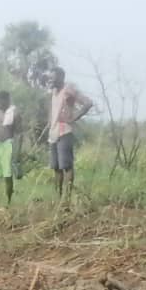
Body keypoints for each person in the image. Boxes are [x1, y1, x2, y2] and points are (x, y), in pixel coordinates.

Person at [47, 67, 93, 200]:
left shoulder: (68, 90)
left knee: (66, 166)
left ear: (61, 77)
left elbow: (88, 103)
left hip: (64, 131)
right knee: (56, 168)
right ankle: (58, 199)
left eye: (53, 78)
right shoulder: (54, 91)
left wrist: (75, 117)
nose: (50, 80)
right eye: (50, 78)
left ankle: (66, 200)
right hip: (53, 133)